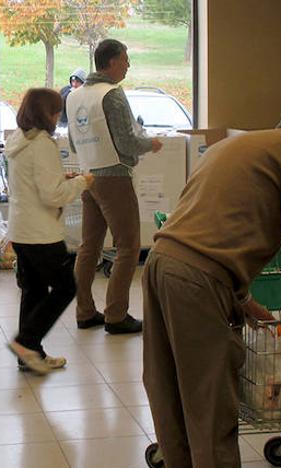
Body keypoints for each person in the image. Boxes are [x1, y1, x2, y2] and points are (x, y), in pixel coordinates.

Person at [142, 97, 281, 468]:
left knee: (168, 392)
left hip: (161, 265)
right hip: (198, 280)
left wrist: (243, 300)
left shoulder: (237, 145)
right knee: (210, 407)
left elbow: (216, 226)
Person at [67, 39, 162, 334]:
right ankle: (116, 315)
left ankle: (84, 312)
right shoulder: (113, 95)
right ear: (111, 62)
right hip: (115, 177)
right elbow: (127, 141)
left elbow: (72, 141)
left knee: (88, 247)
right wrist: (152, 144)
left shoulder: (75, 96)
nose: (128, 65)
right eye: (125, 60)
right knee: (128, 246)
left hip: (88, 175)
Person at [4, 88, 93, 374]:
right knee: (66, 287)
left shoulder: (19, 139)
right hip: (42, 233)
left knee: (34, 290)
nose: (58, 117)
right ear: (46, 113)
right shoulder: (42, 144)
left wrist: (61, 178)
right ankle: (27, 342)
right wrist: (82, 182)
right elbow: (52, 196)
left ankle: (31, 355)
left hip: (21, 229)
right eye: (56, 111)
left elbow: (35, 181)